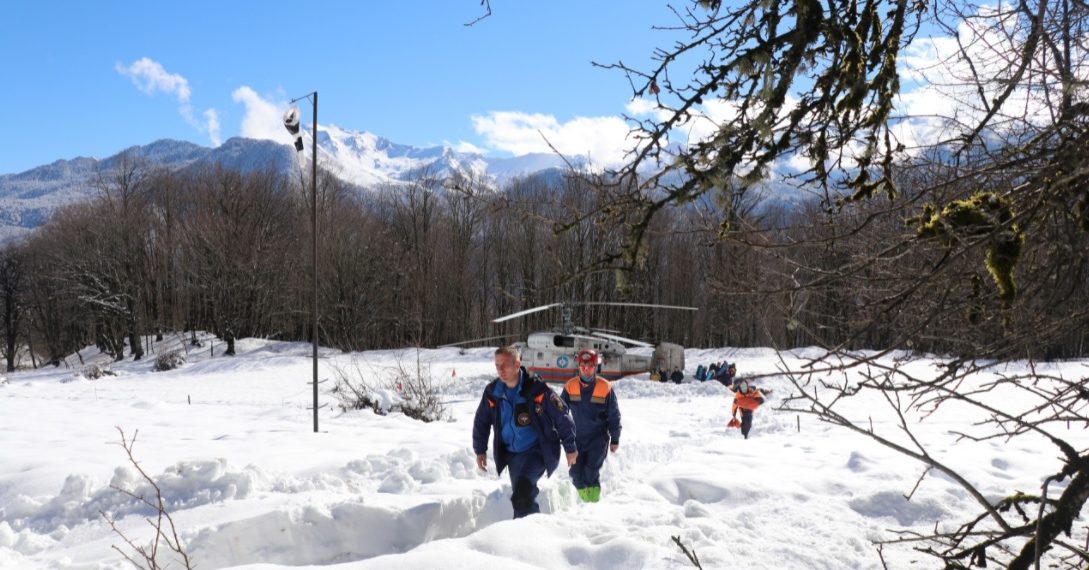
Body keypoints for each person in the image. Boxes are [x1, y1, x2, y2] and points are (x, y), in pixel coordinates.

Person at [473, 346, 578, 518]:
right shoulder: (493, 393)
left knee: (522, 496)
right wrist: (480, 450)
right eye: (497, 365)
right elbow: (481, 421)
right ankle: (524, 532)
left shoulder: (536, 389)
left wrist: (570, 447)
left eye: (505, 364)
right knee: (521, 498)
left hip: (536, 451)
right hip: (512, 455)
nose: (500, 369)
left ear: (517, 365)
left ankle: (529, 537)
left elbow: (562, 416)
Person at [562, 348, 622, 503]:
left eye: (590, 367)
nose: (586, 371)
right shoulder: (570, 386)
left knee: (590, 473)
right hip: (578, 439)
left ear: (596, 367)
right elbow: (560, 411)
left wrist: (615, 438)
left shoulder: (605, 387)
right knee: (575, 474)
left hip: (598, 439)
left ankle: (593, 507)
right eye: (583, 367)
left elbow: (614, 416)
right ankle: (586, 503)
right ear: (578, 367)